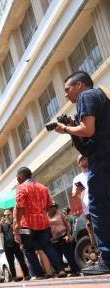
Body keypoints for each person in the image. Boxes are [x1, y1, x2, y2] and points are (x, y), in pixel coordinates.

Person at [55, 71, 110, 275]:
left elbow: (87, 130)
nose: (66, 95)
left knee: (99, 209)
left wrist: (66, 129)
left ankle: (108, 258)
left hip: (102, 161)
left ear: (79, 85)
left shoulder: (86, 96)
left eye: (68, 89)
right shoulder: (101, 96)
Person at [14, 167, 67, 278]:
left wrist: (18, 223)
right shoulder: (43, 187)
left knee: (28, 249)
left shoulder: (21, 188)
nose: (17, 179)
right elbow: (49, 205)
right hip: (43, 223)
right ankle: (60, 269)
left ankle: (40, 274)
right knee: (48, 246)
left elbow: (20, 207)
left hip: (26, 225)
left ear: (21, 176)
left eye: (17, 176)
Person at [48, 203, 81, 276]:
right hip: (53, 240)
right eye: (52, 207)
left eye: (55, 206)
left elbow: (68, 225)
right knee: (57, 258)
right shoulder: (46, 217)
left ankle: (75, 271)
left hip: (64, 237)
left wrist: (68, 235)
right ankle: (61, 272)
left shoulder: (60, 214)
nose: (54, 208)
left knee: (69, 255)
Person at [0, 209, 30, 280]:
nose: (7, 216)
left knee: (21, 260)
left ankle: (26, 275)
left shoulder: (14, 222)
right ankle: (14, 277)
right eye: (5, 215)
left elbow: (19, 229)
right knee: (10, 262)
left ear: (11, 215)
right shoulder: (2, 224)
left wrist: (12, 225)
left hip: (16, 244)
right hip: (7, 246)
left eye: (8, 214)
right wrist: (0, 222)